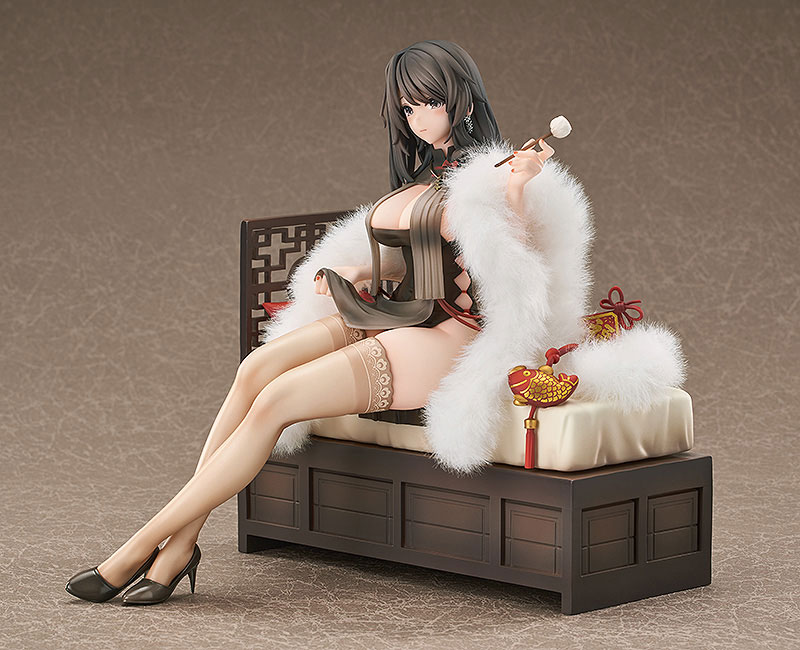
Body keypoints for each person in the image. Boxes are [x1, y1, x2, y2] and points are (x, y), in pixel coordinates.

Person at [64, 40, 557, 606]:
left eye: (429, 101)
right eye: (406, 106)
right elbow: (422, 254)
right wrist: (360, 268)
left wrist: (516, 188)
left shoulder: (494, 173)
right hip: (395, 309)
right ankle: (181, 546)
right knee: (255, 370)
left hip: (447, 332)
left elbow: (515, 266)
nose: (416, 117)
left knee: (277, 400)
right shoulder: (427, 173)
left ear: (461, 98)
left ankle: (139, 547)